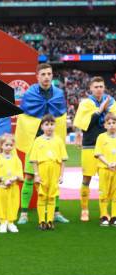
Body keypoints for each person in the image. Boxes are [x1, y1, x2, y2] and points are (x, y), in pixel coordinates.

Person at [15, 63, 68, 225]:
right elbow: (24, 119)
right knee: (29, 176)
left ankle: (56, 212)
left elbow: (61, 119)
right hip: (35, 143)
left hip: (53, 143)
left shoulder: (58, 94)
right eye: (43, 74)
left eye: (49, 74)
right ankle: (24, 214)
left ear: (52, 76)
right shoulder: (30, 94)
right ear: (37, 76)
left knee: (54, 179)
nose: (46, 77)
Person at [73, 77, 115, 221]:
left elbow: (113, 121)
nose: (98, 89)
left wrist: (105, 109)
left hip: (108, 146)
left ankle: (110, 212)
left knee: (111, 179)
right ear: (90, 88)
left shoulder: (112, 102)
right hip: (90, 144)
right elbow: (87, 124)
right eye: (96, 86)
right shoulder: (86, 103)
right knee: (86, 179)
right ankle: (84, 210)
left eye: (101, 86)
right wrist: (101, 110)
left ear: (104, 88)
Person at [29, 114, 68, 230]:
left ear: (55, 126)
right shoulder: (38, 141)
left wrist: (61, 175)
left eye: (52, 124)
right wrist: (36, 175)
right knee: (41, 196)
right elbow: (34, 160)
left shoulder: (59, 140)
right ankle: (41, 221)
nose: (49, 127)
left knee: (52, 197)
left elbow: (63, 160)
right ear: (42, 127)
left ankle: (50, 220)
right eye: (47, 124)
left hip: (55, 171)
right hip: (42, 170)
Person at [0, 133, 23, 233]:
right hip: (2, 187)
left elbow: (19, 172)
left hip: (13, 186)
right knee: (2, 204)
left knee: (13, 204)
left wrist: (14, 178)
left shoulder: (16, 159)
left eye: (11, 145)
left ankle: (11, 222)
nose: (9, 147)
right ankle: (3, 222)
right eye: (6, 145)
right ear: (1, 145)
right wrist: (2, 180)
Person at [93, 112, 116, 226]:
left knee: (115, 193)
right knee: (104, 193)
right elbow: (98, 153)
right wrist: (108, 164)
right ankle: (104, 216)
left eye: (114, 123)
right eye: (109, 123)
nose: (112, 125)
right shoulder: (101, 137)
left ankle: (114, 216)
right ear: (105, 125)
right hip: (104, 169)